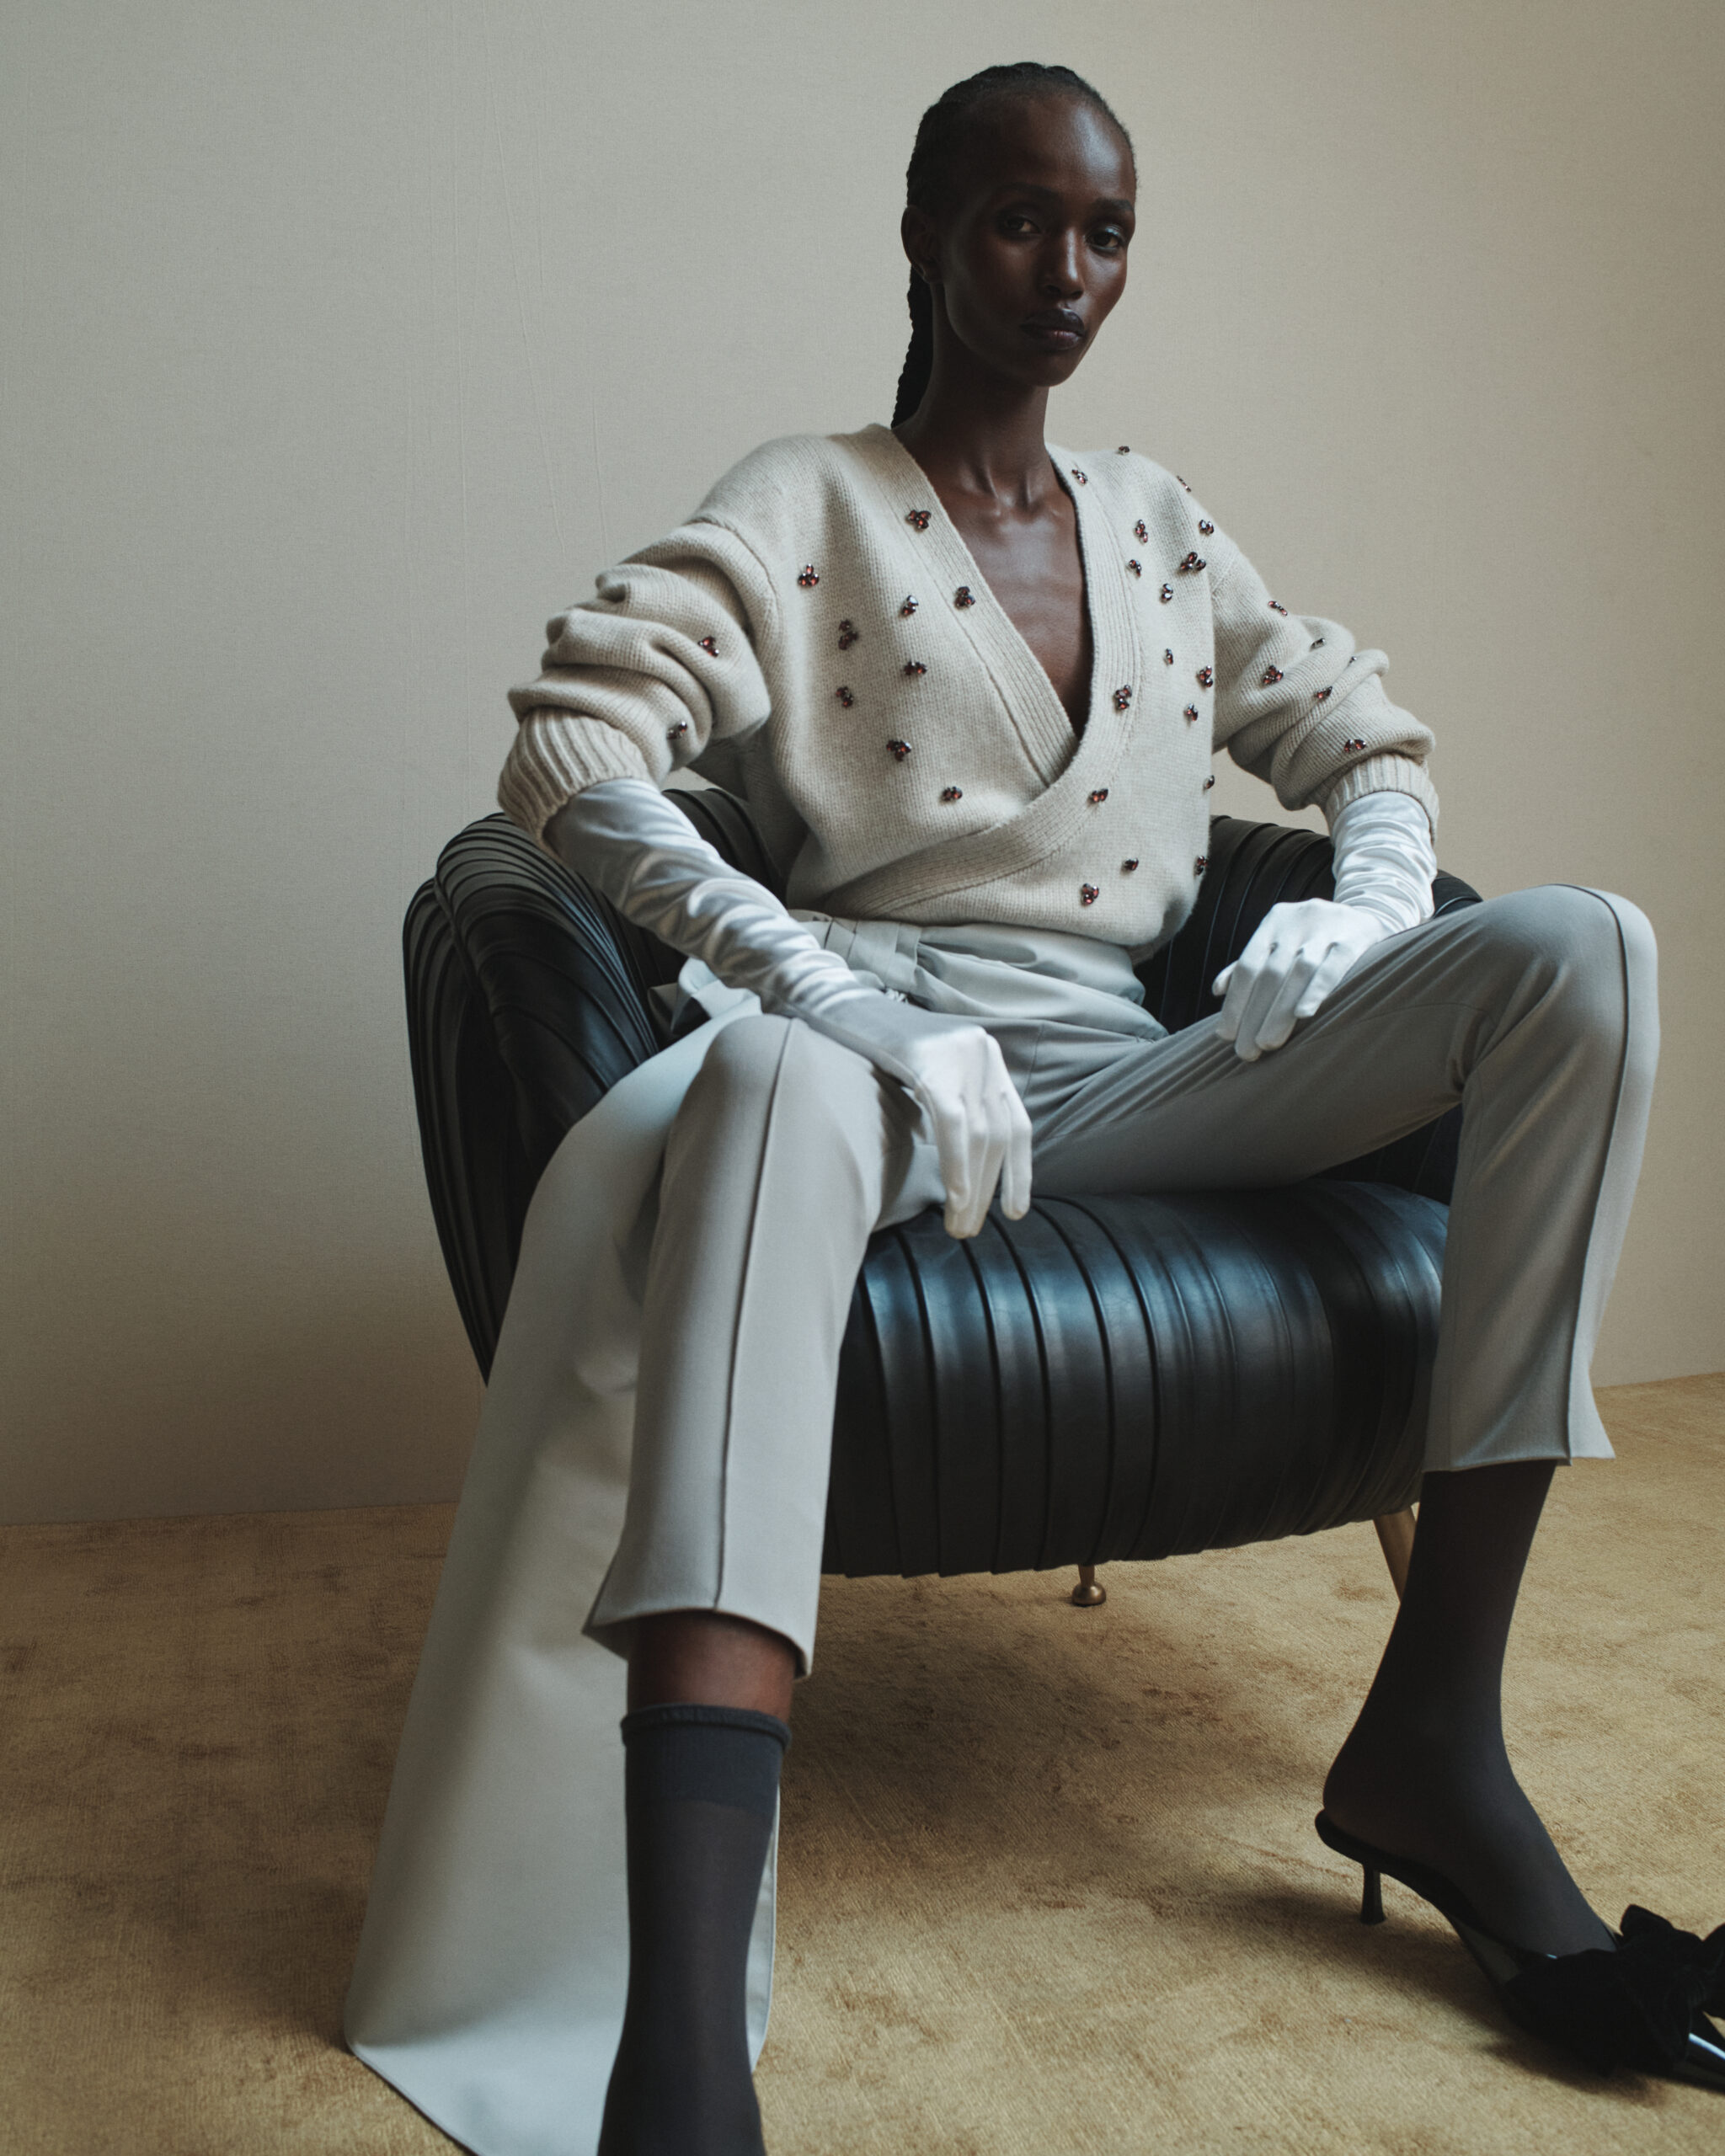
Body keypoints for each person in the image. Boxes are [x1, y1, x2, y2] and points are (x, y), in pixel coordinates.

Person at [433, 60, 1717, 2156]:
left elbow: (1365, 735)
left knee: (1588, 949)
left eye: (1104, 231)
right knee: (760, 1074)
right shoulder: (807, 499)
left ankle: (1437, 1739)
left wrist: (1361, 912)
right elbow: (567, 751)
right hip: (877, 1086)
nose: (1065, 270)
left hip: (1131, 1080)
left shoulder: (1154, 516)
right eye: (1020, 219)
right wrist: (830, 990)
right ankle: (681, 2050)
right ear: (925, 233)